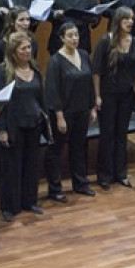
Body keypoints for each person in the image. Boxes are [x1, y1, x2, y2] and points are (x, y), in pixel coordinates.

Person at [0, 32, 44, 221]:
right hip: (13, 125)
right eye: (23, 48)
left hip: (33, 123)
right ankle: (8, 207)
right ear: (13, 52)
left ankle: (29, 201)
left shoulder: (35, 69)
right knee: (11, 168)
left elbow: (40, 98)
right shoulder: (3, 72)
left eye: (29, 47)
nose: (28, 51)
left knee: (31, 165)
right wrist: (2, 129)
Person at [92, 7, 135, 189]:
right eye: (126, 19)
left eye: (132, 18)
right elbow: (97, 71)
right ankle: (105, 175)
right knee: (107, 134)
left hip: (126, 95)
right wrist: (97, 96)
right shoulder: (105, 41)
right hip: (108, 94)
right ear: (118, 21)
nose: (130, 22)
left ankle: (120, 173)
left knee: (122, 134)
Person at [44, 20, 97, 199]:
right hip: (64, 113)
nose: (74, 39)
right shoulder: (55, 61)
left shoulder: (83, 55)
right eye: (70, 36)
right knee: (56, 150)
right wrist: (59, 116)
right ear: (61, 38)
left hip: (82, 109)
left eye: (76, 35)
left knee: (79, 147)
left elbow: (89, 83)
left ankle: (80, 183)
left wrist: (92, 108)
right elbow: (53, 90)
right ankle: (55, 189)